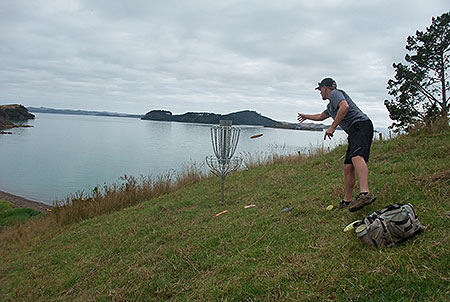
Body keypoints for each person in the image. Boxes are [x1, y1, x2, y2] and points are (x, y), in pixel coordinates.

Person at [298, 78, 376, 212]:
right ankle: (347, 201)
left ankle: (365, 193)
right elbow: (321, 116)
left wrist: (332, 127)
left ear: (325, 88)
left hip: (361, 125)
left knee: (357, 156)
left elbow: (345, 107)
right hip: (354, 130)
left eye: (320, 90)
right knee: (348, 166)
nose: (320, 93)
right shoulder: (330, 106)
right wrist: (307, 116)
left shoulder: (335, 94)